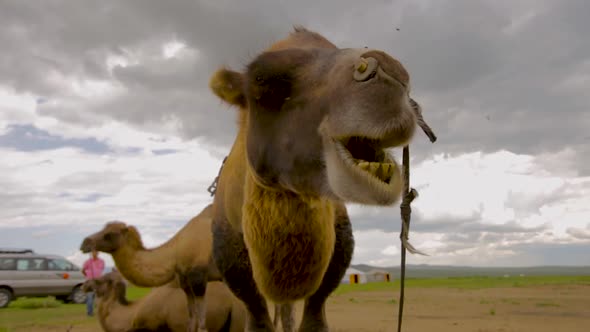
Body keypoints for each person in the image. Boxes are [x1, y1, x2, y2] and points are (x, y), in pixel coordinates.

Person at [82, 249, 105, 316]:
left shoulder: (101, 261)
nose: (94, 253)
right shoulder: (88, 262)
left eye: (96, 252)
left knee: (100, 297)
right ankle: (90, 312)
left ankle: (100, 311)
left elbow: (101, 270)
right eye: (93, 252)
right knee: (90, 297)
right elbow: (83, 270)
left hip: (98, 281)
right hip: (90, 281)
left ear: (98, 253)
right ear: (91, 253)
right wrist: (88, 276)